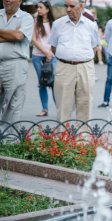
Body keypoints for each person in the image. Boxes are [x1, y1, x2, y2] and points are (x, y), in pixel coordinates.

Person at [49, 0, 99, 126]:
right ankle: (62, 141)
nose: (68, 9)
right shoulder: (58, 24)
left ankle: (83, 142)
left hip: (85, 67)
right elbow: (53, 47)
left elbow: (94, 46)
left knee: (85, 105)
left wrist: (81, 58)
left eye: (72, 6)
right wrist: (67, 56)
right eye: (66, 6)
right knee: (63, 106)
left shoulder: (91, 25)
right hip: (64, 67)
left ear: (81, 6)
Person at [0, 0, 34, 128]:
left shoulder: (26, 17)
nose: (7, 0)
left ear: (19, 0)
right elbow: (14, 35)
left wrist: (15, 34)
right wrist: (11, 34)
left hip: (16, 64)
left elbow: (19, 36)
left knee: (13, 104)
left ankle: (10, 140)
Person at [31, 0, 56, 117]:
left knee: (54, 83)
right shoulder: (36, 21)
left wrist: (50, 53)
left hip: (52, 56)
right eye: (38, 7)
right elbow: (34, 40)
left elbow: (56, 40)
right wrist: (46, 52)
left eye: (40, 7)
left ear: (47, 9)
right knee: (42, 82)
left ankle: (60, 109)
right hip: (37, 56)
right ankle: (44, 109)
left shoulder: (55, 23)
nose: (38, 9)